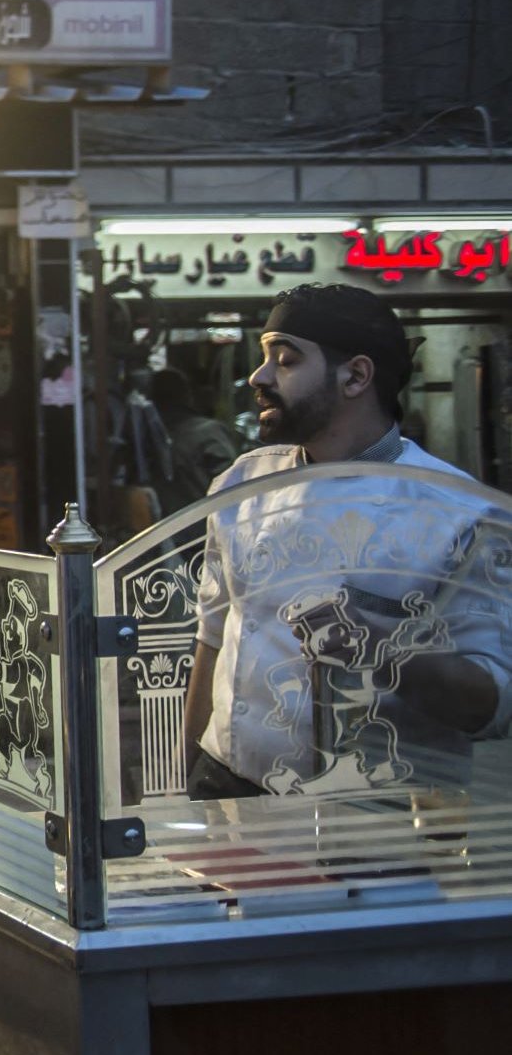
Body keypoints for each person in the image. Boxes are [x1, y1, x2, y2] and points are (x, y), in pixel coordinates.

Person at [181, 285, 512, 798]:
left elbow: (490, 704)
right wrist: (192, 775)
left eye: (285, 360)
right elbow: (214, 634)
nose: (259, 377)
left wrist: (382, 646)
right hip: (229, 784)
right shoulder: (241, 484)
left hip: (380, 811)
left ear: (356, 376)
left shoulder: (459, 512)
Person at [150, 367, 241, 514]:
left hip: (166, 531)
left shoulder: (147, 439)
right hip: (207, 527)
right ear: (187, 395)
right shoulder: (208, 431)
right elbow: (233, 484)